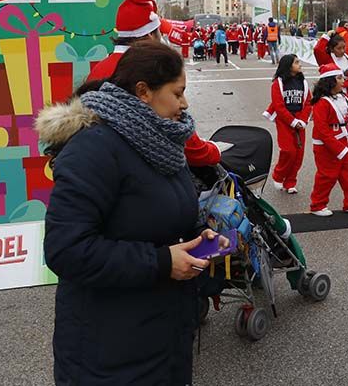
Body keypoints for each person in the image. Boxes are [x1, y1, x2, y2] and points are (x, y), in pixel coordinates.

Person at [41, 41, 228, 385]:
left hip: (162, 335)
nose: (185, 104)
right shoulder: (94, 148)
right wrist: (161, 261)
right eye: (178, 93)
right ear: (143, 92)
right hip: (108, 351)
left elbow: (158, 214)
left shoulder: (159, 140)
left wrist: (198, 237)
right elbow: (64, 249)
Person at [87, 0, 222, 166]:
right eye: (159, 31)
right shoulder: (152, 69)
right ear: (150, 35)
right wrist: (213, 151)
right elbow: (178, 133)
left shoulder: (98, 68)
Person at [309, 63, 348, 217]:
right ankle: (317, 205)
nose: (343, 80)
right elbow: (322, 130)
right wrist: (338, 148)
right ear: (330, 81)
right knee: (327, 175)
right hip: (326, 146)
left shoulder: (343, 96)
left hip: (342, 139)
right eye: (339, 78)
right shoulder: (321, 102)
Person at [314, 31, 348, 166]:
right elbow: (317, 49)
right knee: (333, 128)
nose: (342, 51)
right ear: (331, 48)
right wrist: (326, 36)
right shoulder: (326, 59)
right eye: (339, 48)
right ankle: (334, 153)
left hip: (347, 97)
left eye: (344, 47)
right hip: (331, 99)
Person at [264, 54, 312, 194]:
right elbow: (279, 106)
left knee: (299, 154)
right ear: (288, 65)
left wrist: (302, 120)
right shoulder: (278, 83)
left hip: (300, 120)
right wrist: (292, 121)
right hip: (284, 120)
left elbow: (308, 103)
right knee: (288, 151)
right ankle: (278, 175)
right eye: (297, 62)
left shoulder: (303, 82)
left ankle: (290, 182)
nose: (300, 64)